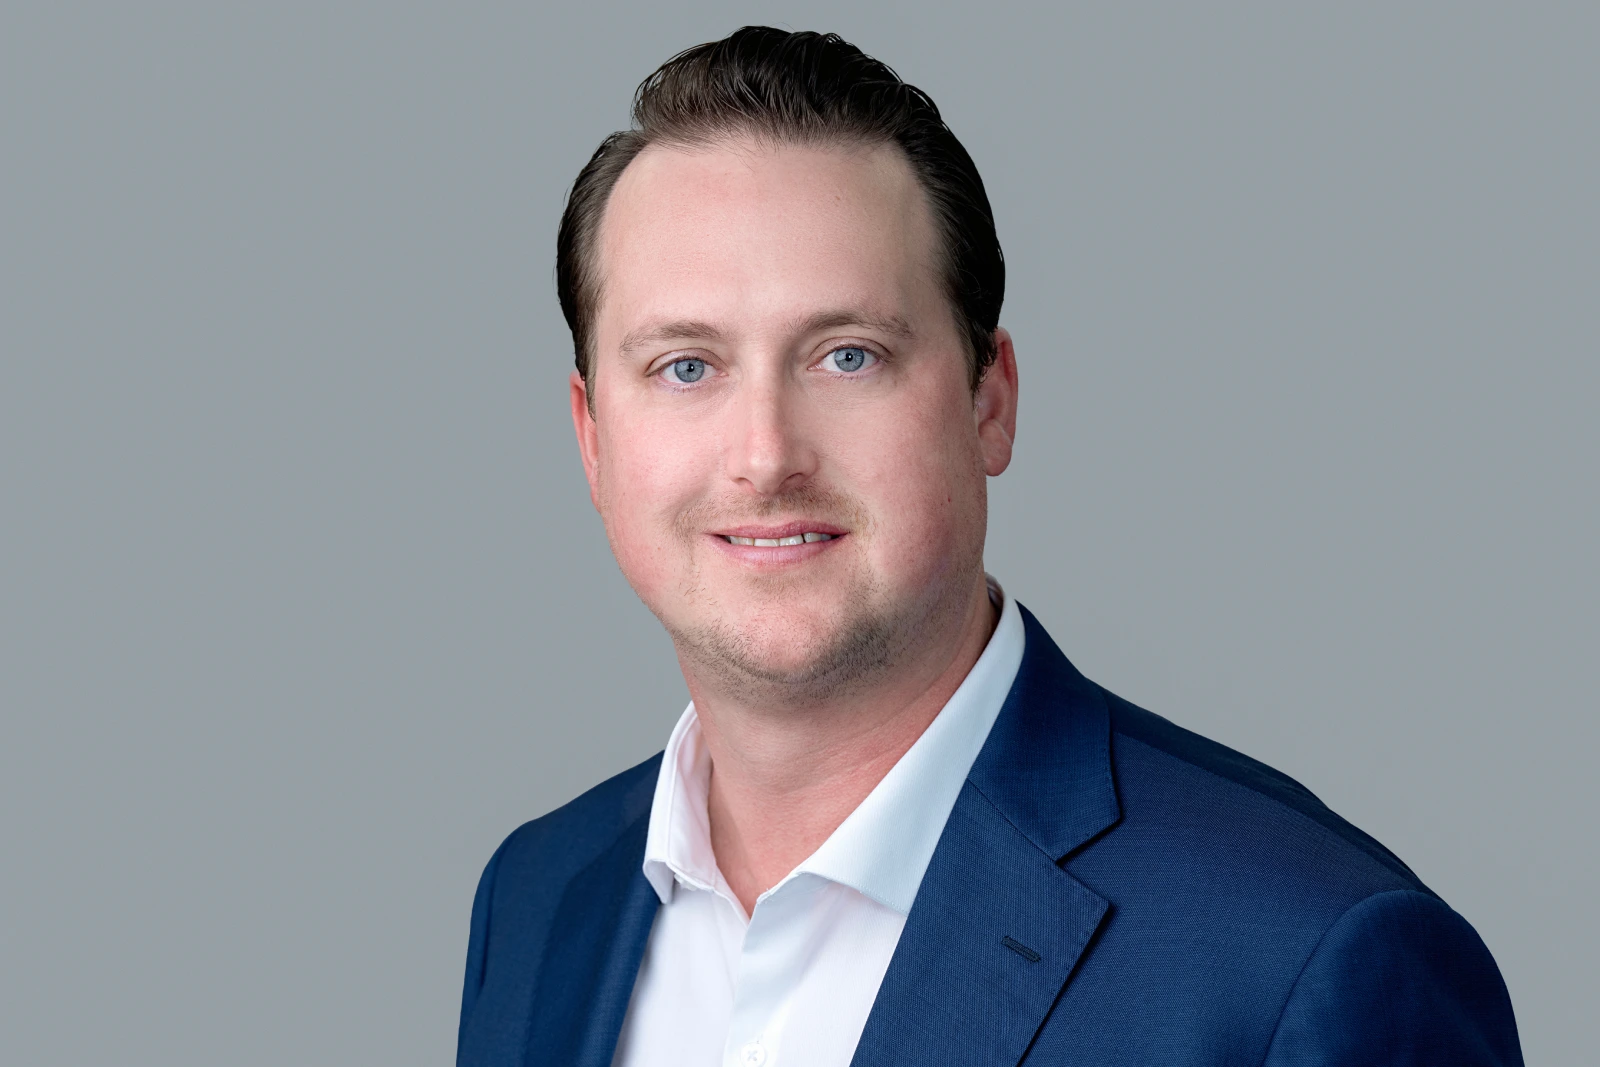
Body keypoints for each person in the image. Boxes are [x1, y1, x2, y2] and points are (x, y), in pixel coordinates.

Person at [455, 26, 1522, 1067]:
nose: (765, 455)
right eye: (686, 367)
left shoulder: (1306, 956)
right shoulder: (540, 899)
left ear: (989, 402)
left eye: (847, 355)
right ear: (593, 437)